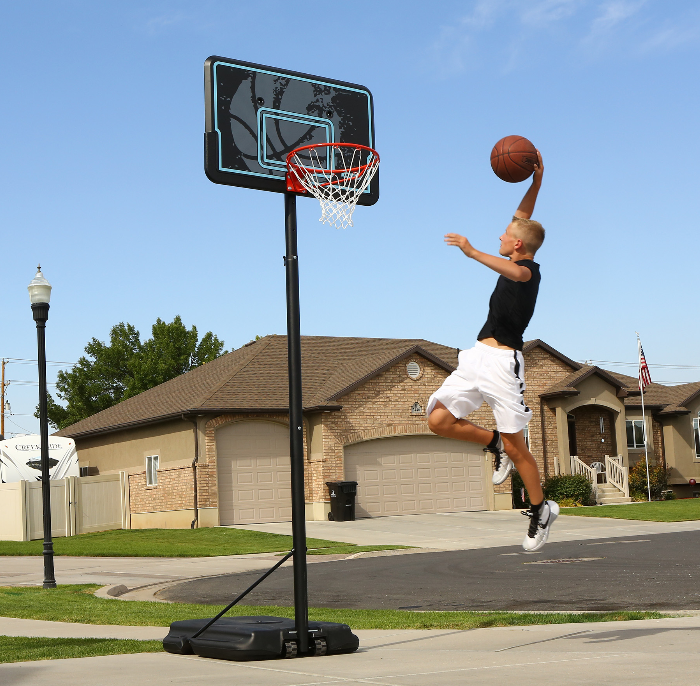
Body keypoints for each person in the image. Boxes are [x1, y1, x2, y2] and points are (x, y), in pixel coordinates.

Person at [426, 151, 557, 551]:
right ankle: (493, 443)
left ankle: (541, 509)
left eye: (505, 235)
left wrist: (472, 252)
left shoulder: (528, 271)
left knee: (521, 449)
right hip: (476, 357)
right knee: (438, 420)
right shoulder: (519, 243)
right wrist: (536, 182)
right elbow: (522, 218)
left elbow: (515, 270)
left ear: (517, 245)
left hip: (503, 364)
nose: (500, 236)